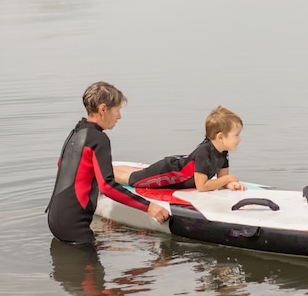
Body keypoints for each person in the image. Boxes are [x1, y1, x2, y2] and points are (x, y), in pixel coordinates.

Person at [46, 81, 170, 245]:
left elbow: (62, 164)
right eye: (117, 110)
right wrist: (149, 207)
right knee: (91, 270)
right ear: (103, 109)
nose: (119, 116)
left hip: (55, 217)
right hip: (74, 224)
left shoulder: (77, 131)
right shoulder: (99, 139)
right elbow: (108, 186)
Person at [113, 105, 246, 191]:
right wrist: (228, 179)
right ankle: (101, 172)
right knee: (131, 179)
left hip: (175, 166)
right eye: (236, 135)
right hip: (166, 173)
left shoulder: (223, 153)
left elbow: (221, 179)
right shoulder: (204, 152)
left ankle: (110, 166)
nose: (239, 139)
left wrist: (230, 184)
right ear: (221, 137)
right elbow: (202, 186)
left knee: (138, 172)